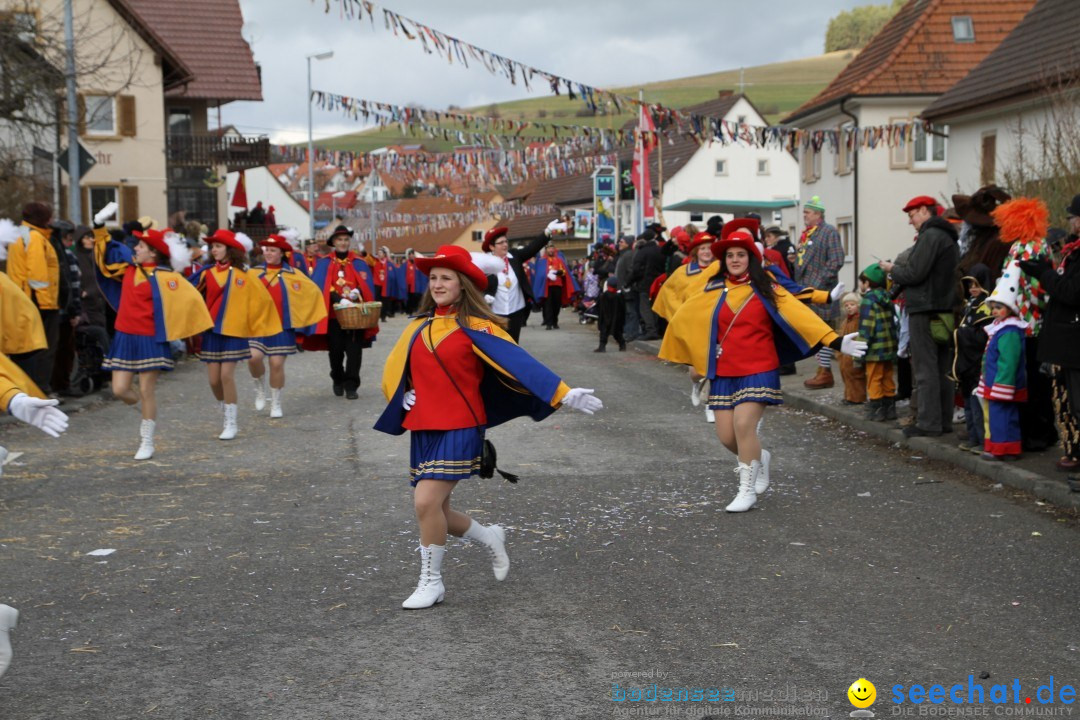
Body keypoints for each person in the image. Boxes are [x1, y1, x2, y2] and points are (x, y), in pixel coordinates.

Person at [373, 245, 602, 609]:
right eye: (433, 278)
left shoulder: (475, 327)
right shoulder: (419, 326)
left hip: (462, 424)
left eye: (446, 277)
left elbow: (519, 362)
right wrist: (401, 394)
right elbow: (397, 367)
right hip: (424, 425)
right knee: (440, 513)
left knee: (424, 503)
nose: (438, 284)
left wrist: (563, 392)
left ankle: (431, 583)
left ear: (463, 284)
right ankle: (490, 537)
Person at [659, 229, 866, 512]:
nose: (734, 260)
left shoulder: (766, 287)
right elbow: (687, 318)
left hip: (759, 366)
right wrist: (696, 350)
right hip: (724, 370)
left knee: (744, 425)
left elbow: (798, 313)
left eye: (740, 255)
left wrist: (836, 340)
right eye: (730, 255)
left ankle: (746, 491)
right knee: (727, 436)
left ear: (750, 258)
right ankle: (760, 457)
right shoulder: (711, 289)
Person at [94, 211, 213, 459]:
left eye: (140, 246)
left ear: (153, 252)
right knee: (119, 390)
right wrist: (98, 226)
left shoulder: (167, 277)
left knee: (147, 390)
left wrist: (197, 326)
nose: (135, 248)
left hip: (150, 338)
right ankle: (148, 412)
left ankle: (146, 439)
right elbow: (104, 259)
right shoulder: (126, 270)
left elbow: (191, 300)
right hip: (124, 337)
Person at [189, 230, 282, 440]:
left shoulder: (244, 275)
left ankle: (231, 422)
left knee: (225, 376)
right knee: (213, 381)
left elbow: (261, 302)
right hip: (212, 332)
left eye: (218, 246)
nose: (214, 250)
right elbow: (189, 294)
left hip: (235, 332)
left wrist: (258, 327)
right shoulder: (206, 273)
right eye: (212, 246)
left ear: (229, 250)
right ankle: (225, 409)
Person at [879, 196, 959, 438]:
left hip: (925, 309)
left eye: (912, 215)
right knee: (943, 368)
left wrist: (893, 269)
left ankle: (928, 422)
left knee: (925, 369)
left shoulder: (930, 235)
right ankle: (943, 420)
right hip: (944, 308)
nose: (910, 221)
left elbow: (914, 273)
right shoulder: (947, 236)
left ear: (925, 211)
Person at [1018, 194, 1080, 472]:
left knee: (1078, 403)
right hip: (1067, 338)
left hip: (1074, 339)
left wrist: (1044, 274)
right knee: (1068, 402)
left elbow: (1071, 292)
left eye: (1073, 217)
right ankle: (1074, 450)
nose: (1071, 222)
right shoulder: (1073, 249)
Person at [990, 198, 1057, 453]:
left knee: (1029, 382)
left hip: (1026, 324)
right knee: (1037, 382)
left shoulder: (1024, 248)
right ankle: (1044, 432)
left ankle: (1035, 435)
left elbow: (1023, 287)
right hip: (1035, 322)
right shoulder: (1041, 245)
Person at [247, 235, 327, 418]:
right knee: (253, 358)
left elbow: (313, 292)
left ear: (282, 253)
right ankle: (259, 386)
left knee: (276, 364)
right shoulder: (253, 273)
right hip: (258, 325)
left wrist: (304, 317)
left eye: (273, 250)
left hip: (283, 327)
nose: (268, 253)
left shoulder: (293, 274)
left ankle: (275, 401)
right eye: (266, 249)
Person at [307, 226, 378, 399]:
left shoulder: (359, 262)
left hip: (355, 314)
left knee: (354, 351)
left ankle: (351, 385)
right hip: (334, 314)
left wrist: (358, 292)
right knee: (336, 351)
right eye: (340, 240)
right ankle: (337, 378)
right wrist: (338, 298)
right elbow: (320, 285)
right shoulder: (324, 262)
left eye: (346, 240)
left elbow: (366, 283)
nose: (343, 243)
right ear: (333, 243)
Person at [7, 202, 60, 394]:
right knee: (42, 348)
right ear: (43, 218)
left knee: (23, 348)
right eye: (50, 216)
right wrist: (46, 304)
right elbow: (38, 275)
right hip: (38, 302)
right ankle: (39, 390)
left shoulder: (20, 234)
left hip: (21, 299)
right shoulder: (36, 238)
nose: (52, 220)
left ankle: (22, 389)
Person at [794, 196, 845, 389]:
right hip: (808, 291)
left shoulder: (829, 232)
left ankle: (825, 372)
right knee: (813, 332)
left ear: (817, 214)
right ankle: (823, 370)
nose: (804, 216)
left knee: (820, 331)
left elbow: (836, 260)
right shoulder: (809, 234)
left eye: (807, 212)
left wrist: (816, 285)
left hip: (821, 292)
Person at [977, 266, 1027, 461]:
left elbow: (1008, 360)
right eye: (994, 307)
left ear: (1010, 308)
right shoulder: (1001, 328)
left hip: (1002, 383)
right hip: (995, 380)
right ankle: (999, 447)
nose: (995, 311)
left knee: (1003, 417)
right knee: (997, 416)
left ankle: (1004, 449)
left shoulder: (1010, 331)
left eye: (999, 307)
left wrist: (1003, 384)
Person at [480, 226, 547, 342]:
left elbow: (532, 248)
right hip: (495, 312)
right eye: (500, 243)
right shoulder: (485, 264)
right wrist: (484, 295)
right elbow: (477, 284)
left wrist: (547, 232)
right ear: (492, 247)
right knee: (497, 345)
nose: (505, 245)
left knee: (513, 342)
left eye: (506, 241)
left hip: (516, 310)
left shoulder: (515, 256)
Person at [953, 264, 993, 451]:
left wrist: (960, 333)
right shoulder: (971, 305)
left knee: (977, 404)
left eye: (976, 285)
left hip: (977, 362)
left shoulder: (986, 307)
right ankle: (972, 436)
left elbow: (981, 336)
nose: (973, 289)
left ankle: (982, 439)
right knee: (968, 402)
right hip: (965, 362)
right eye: (970, 286)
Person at [856, 264, 899, 421]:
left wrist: (859, 351)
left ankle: (877, 408)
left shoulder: (868, 301)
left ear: (867, 283)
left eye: (862, 281)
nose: (861, 284)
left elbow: (866, 328)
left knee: (874, 378)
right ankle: (890, 408)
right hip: (888, 348)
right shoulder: (887, 298)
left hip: (874, 350)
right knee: (888, 376)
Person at [628, 230, 665, 340]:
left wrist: (629, 282)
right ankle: (657, 329)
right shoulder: (660, 250)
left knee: (645, 308)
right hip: (659, 283)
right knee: (656, 307)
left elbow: (636, 270)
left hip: (645, 284)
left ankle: (650, 330)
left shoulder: (642, 251)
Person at [532, 242, 578, 331]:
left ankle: (555, 321)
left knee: (556, 305)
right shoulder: (542, 260)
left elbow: (564, 272)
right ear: (546, 250)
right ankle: (549, 323)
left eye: (552, 248)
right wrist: (545, 275)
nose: (551, 250)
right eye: (549, 248)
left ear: (554, 249)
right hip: (547, 287)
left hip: (558, 285)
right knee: (548, 305)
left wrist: (560, 273)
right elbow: (539, 275)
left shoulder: (559, 260)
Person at [838, 291, 866, 405]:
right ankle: (849, 395)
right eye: (846, 305)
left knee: (856, 376)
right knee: (846, 375)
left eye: (852, 304)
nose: (849, 307)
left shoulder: (858, 320)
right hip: (844, 354)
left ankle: (857, 397)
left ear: (858, 305)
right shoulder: (846, 321)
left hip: (853, 353)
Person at [614, 236, 640, 341]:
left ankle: (631, 333)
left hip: (628, 289)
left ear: (628, 244)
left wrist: (626, 285)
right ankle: (628, 332)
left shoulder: (628, 255)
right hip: (623, 288)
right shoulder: (623, 255)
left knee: (631, 311)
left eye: (622, 242)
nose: (619, 243)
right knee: (627, 311)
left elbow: (630, 271)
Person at [595, 276, 626, 352]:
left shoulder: (604, 295)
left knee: (604, 332)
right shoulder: (619, 296)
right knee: (617, 332)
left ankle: (602, 347)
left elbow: (598, 306)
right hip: (616, 319)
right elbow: (623, 308)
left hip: (606, 318)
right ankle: (622, 345)